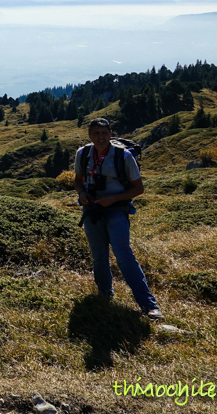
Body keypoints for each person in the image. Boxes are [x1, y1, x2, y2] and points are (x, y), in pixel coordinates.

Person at [74, 117, 162, 319]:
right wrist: (82, 194)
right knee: (99, 257)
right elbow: (78, 181)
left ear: (110, 134)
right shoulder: (83, 154)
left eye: (104, 133)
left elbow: (138, 188)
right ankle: (105, 295)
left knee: (123, 255)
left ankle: (149, 305)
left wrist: (113, 198)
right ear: (90, 136)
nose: (101, 137)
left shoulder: (123, 157)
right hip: (92, 212)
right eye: (96, 133)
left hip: (117, 211)